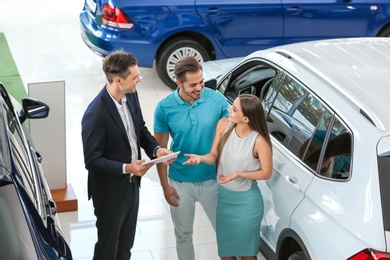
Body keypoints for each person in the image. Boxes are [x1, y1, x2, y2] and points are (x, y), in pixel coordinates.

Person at [81, 50, 172, 260]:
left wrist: (157, 150)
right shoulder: (95, 115)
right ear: (119, 80)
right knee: (108, 247)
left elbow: (139, 129)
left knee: (125, 245)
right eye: (135, 77)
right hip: (109, 191)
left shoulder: (131, 95)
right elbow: (92, 161)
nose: (139, 80)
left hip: (132, 186)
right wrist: (126, 167)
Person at [153, 56, 230, 260]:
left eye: (202, 81)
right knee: (184, 235)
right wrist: (165, 186)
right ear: (179, 83)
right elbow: (159, 150)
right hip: (179, 182)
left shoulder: (217, 100)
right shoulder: (164, 107)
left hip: (212, 180)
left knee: (226, 234)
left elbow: (235, 131)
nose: (200, 87)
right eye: (193, 84)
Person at [183, 94, 273, 260]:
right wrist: (201, 158)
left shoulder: (259, 141)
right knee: (225, 253)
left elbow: (266, 172)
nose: (229, 110)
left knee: (247, 253)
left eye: (234, 109)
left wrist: (239, 174)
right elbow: (213, 155)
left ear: (245, 118)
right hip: (225, 200)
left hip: (247, 203)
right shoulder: (224, 125)